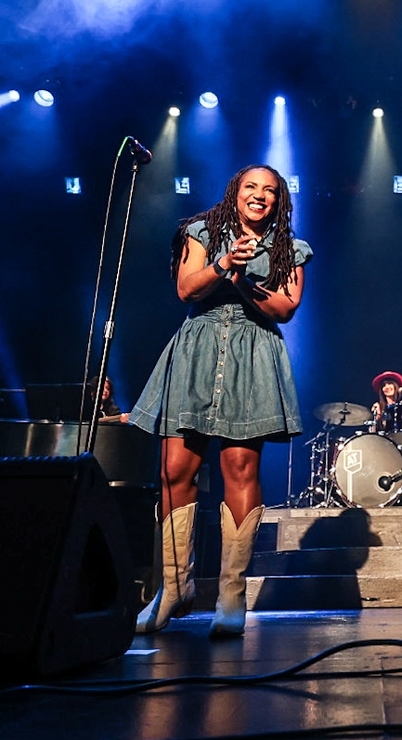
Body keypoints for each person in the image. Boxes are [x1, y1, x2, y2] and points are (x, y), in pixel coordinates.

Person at [129, 165, 310, 637]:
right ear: (236, 192)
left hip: (252, 354)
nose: (260, 196)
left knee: (240, 469)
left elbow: (286, 308)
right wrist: (224, 263)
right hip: (199, 348)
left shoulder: (290, 248)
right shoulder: (202, 231)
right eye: (252, 187)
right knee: (174, 470)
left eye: (270, 191)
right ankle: (172, 589)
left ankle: (231, 595)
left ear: (278, 202)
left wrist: (241, 282)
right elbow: (187, 287)